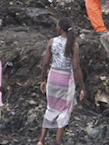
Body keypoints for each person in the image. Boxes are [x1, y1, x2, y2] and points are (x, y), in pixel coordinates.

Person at [39, 17, 84, 145]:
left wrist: (42, 80)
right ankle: (58, 140)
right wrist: (82, 87)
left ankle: (41, 140)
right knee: (65, 109)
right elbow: (76, 67)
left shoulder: (52, 42)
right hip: (65, 79)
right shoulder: (73, 45)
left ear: (59, 28)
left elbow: (45, 63)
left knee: (51, 107)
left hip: (53, 77)